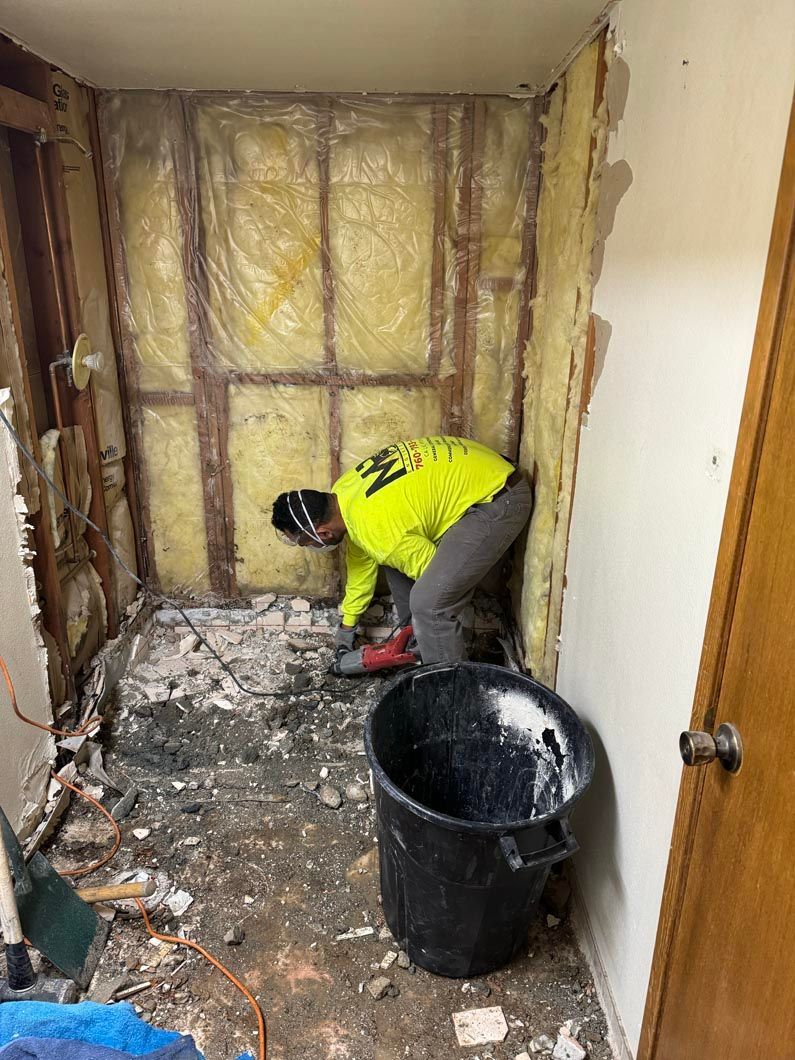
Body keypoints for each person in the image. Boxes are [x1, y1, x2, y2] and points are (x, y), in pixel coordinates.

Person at [271, 436, 532, 666]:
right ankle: (419, 643)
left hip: (500, 499)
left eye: (307, 543)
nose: (312, 548)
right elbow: (362, 564)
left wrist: (432, 623)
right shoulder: (344, 495)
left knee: (430, 606)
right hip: (485, 473)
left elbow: (438, 583)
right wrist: (347, 627)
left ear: (323, 533)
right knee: (394, 564)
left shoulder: (376, 529)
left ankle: (449, 692)